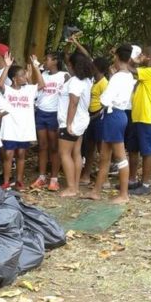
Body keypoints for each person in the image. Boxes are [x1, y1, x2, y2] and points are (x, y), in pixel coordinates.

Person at [87, 44, 136, 204]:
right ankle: (96, 191)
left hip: (113, 114)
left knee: (120, 157)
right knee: (105, 157)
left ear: (117, 57)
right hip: (117, 115)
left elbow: (104, 99)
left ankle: (124, 194)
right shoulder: (128, 76)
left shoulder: (117, 78)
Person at [0, 54, 45, 190]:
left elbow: (42, 84)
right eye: (22, 75)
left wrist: (36, 67)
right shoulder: (8, 90)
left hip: (24, 130)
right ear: (14, 79)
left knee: (21, 154)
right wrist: (7, 66)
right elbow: (0, 84)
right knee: (8, 155)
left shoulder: (29, 90)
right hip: (10, 129)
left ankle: (19, 181)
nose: (25, 77)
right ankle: (6, 182)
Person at [31, 51, 69, 191]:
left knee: (54, 147)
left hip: (55, 114)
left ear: (55, 61)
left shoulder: (64, 76)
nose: (44, 61)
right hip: (41, 112)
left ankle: (54, 179)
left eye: (47, 59)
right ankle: (41, 177)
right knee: (42, 146)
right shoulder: (43, 75)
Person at [126, 46, 151, 195]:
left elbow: (129, 68)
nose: (140, 56)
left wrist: (133, 61)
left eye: (142, 55)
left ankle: (146, 184)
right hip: (137, 116)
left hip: (148, 117)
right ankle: (132, 181)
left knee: (147, 152)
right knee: (133, 150)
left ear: (148, 57)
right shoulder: (145, 73)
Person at [57, 52, 93, 198]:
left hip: (72, 122)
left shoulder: (75, 82)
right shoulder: (87, 80)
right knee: (76, 152)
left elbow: (74, 102)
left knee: (64, 153)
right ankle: (75, 186)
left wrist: (68, 123)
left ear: (72, 65)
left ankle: (71, 188)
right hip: (82, 121)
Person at [81, 56, 111, 184]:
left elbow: (106, 105)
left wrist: (93, 117)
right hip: (90, 116)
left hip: (99, 118)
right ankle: (86, 175)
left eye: (93, 66)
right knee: (89, 148)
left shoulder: (104, 83)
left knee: (101, 149)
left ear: (98, 68)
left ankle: (104, 178)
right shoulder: (93, 81)